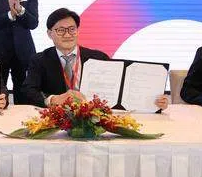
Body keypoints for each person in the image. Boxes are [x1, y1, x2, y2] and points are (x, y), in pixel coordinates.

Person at [22, 7, 171, 109]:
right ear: (50, 34)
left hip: (94, 117)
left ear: (78, 30)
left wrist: (153, 102)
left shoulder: (99, 57)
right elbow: (28, 91)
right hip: (57, 119)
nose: (67, 34)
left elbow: (122, 91)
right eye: (60, 30)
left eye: (72, 29)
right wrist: (53, 99)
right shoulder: (39, 60)